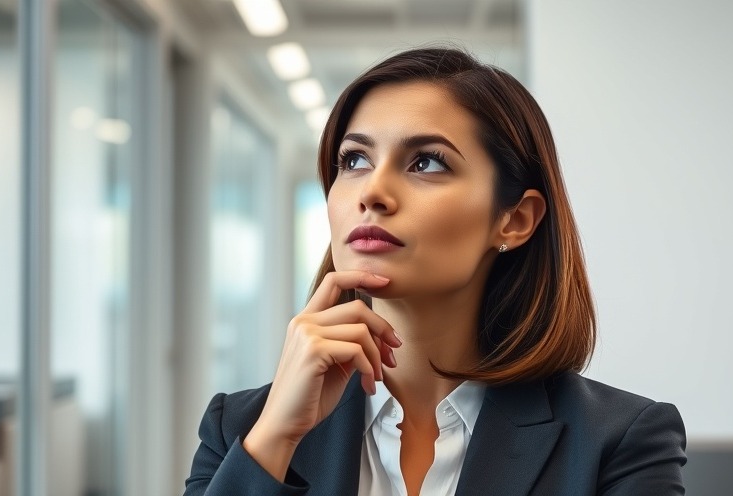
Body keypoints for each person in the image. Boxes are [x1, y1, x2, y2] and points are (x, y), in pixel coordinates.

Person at [183, 47, 686, 496]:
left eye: (426, 163)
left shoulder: (618, 442)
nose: (371, 192)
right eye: (354, 159)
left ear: (515, 219)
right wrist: (276, 439)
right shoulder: (242, 429)